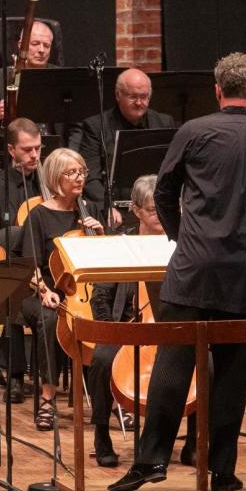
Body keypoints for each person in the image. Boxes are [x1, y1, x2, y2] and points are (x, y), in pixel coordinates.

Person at [108, 52, 246, 491]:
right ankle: (222, 470)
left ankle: (151, 463)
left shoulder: (193, 131)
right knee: (230, 375)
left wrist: (180, 236)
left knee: (173, 365)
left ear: (217, 90)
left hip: (192, 269)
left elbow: (165, 190)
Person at [19, 148, 103, 431]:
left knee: (108, 317)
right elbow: (29, 265)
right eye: (72, 173)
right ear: (56, 177)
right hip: (41, 291)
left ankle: (108, 399)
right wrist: (45, 291)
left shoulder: (88, 210)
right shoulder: (38, 216)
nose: (80, 178)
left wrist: (100, 237)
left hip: (82, 292)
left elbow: (100, 264)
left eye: (82, 172)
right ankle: (47, 398)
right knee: (50, 319)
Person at [85, 174, 165, 467]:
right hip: (127, 329)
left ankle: (192, 440)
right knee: (103, 358)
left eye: (164, 208)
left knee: (203, 359)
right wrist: (112, 332)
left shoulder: (179, 244)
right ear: (136, 210)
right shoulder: (121, 245)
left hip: (167, 330)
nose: (160, 215)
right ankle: (102, 434)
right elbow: (100, 299)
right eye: (153, 209)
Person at [0, 118, 45, 403]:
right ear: (12, 150)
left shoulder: (48, 182)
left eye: (38, 149)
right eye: (27, 150)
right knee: (13, 291)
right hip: (11, 269)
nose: (35, 156)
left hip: (47, 268)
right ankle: (14, 375)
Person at [67, 68, 175, 218]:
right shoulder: (96, 126)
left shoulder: (164, 122)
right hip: (115, 209)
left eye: (144, 97)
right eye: (132, 97)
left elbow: (171, 172)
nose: (139, 103)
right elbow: (90, 176)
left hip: (155, 207)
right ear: (118, 95)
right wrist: (107, 208)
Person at [0, 20, 55, 134]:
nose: (41, 50)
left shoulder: (60, 76)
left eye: (46, 45)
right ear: (21, 45)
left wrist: (69, 151)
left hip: (55, 149)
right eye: (35, 44)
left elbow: (75, 126)